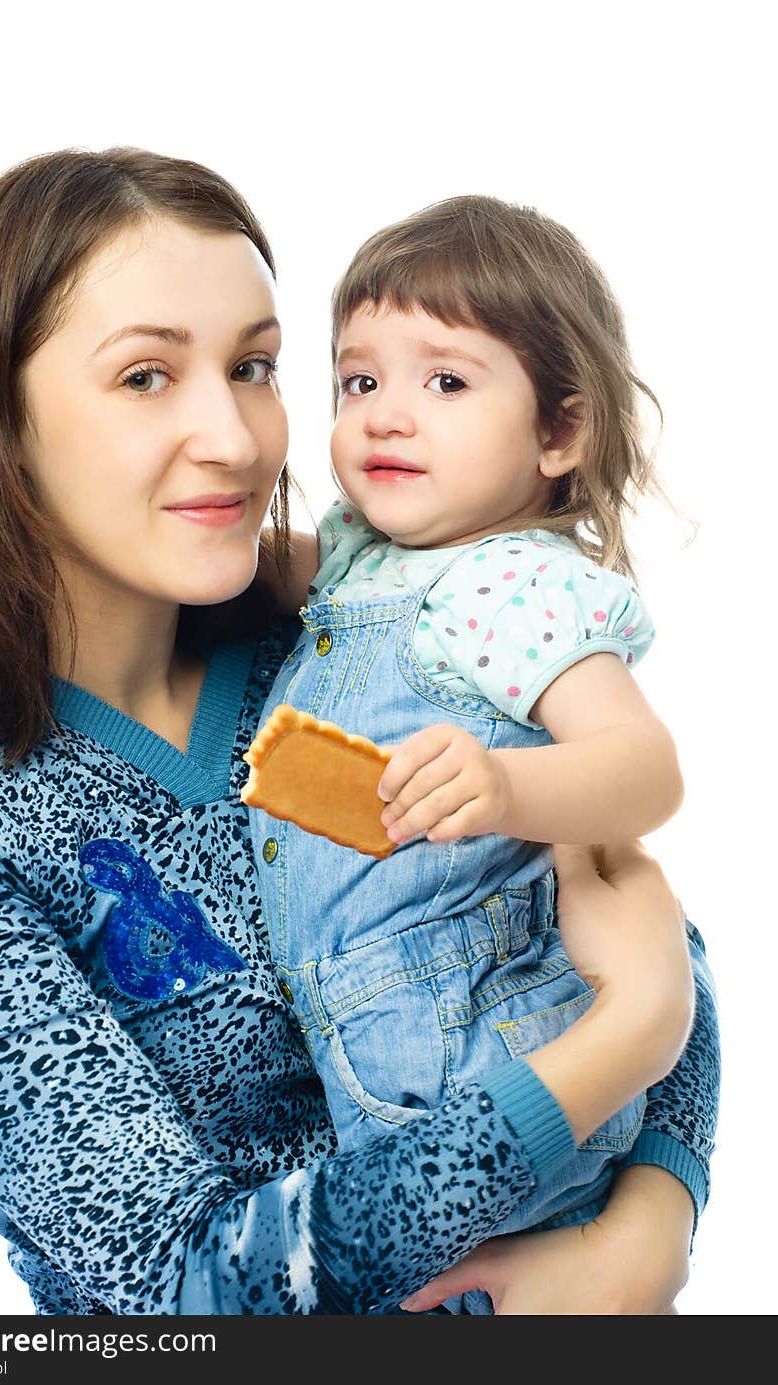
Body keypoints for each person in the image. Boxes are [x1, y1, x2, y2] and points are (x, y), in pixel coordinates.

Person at [0, 148, 717, 1317]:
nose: (234, 439)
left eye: (253, 366)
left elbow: (614, 921)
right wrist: (615, 1047)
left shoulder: (337, 640)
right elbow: (181, 1285)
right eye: (143, 377)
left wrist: (648, 1226)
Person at [246, 195, 701, 1311]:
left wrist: (510, 786)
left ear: (558, 434)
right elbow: (262, 571)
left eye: (444, 381)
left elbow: (647, 768)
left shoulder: (515, 584)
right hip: (387, 1063)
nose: (388, 416)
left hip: (490, 1054)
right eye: (360, 382)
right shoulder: (364, 557)